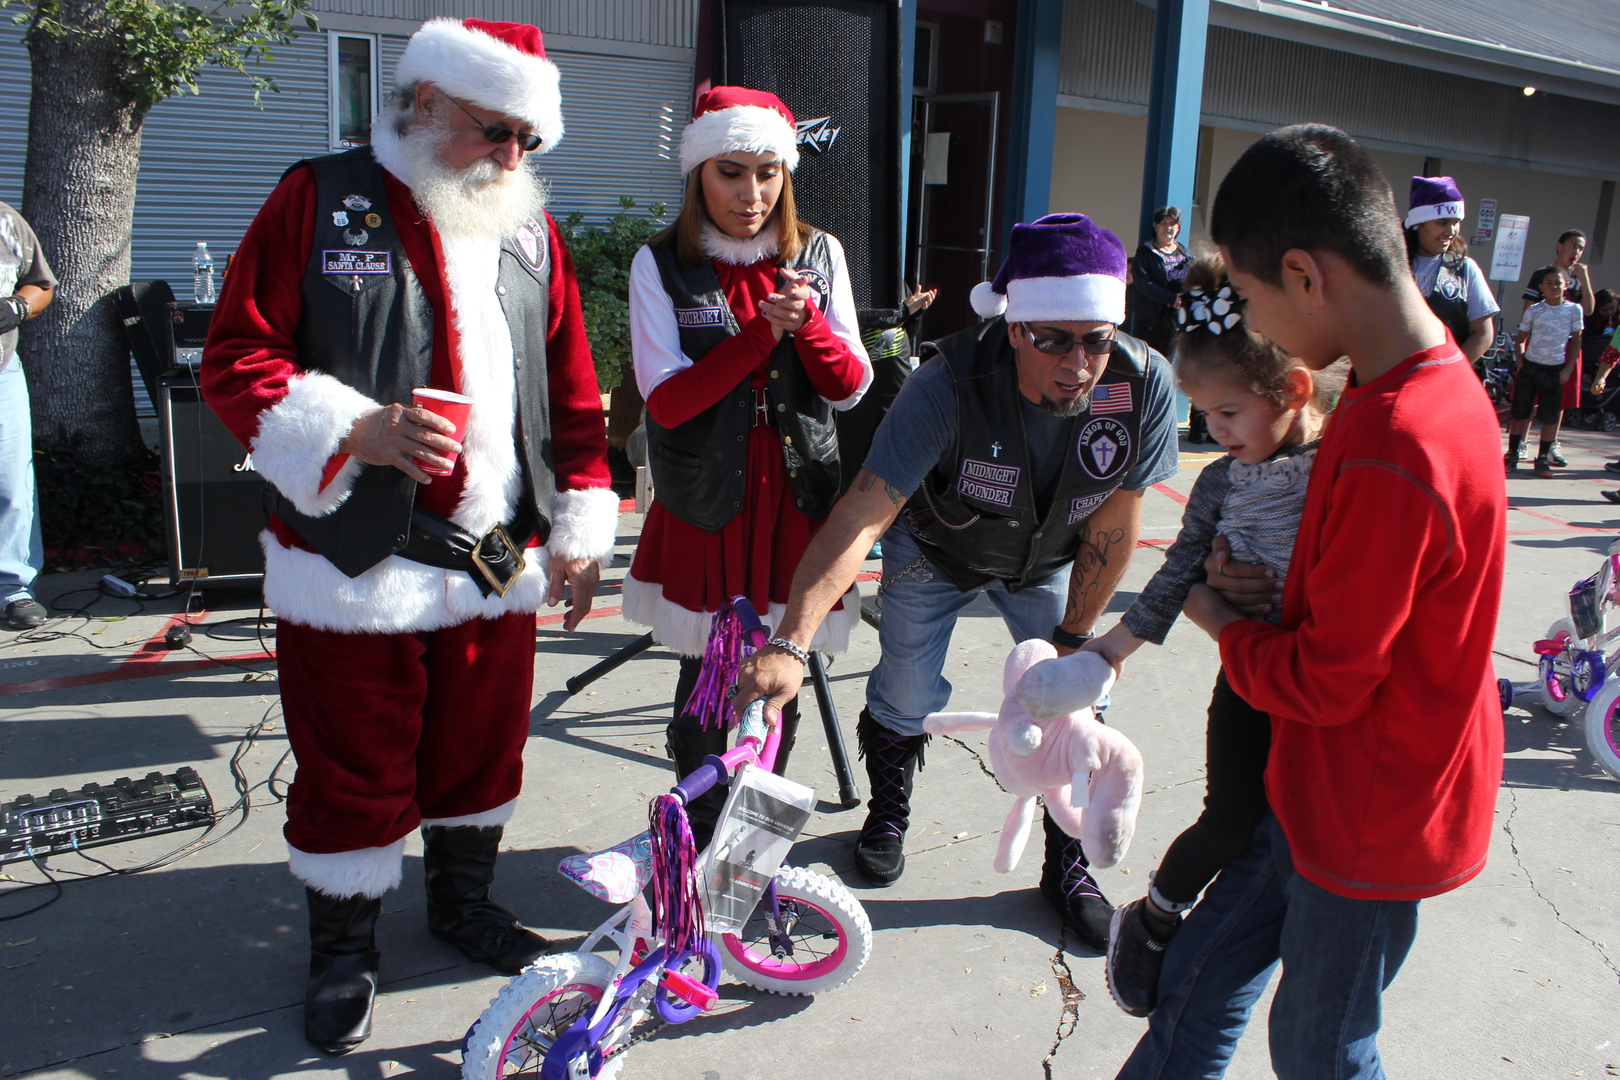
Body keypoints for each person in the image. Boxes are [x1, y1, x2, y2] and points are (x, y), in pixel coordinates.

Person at [201, 18, 618, 1055]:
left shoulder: (531, 232)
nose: (512, 158)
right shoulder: (318, 199)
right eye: (494, 130)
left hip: (492, 560)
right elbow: (237, 356)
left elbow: (572, 393)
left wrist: (581, 520)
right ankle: (344, 950)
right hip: (353, 564)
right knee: (352, 767)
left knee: (482, 751)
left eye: (528, 138)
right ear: (425, 102)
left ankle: (463, 906)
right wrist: (353, 428)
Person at [1114, 124, 1505, 1078]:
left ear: (1304, 275)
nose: (1251, 319)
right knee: (1199, 982)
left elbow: (1330, 681)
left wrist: (1219, 617)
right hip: (1316, 788)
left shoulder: (1399, 441)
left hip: (1366, 814)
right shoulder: (1394, 386)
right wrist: (1280, 592)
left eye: (1250, 298)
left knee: (1321, 1048)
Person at [734, 212, 1179, 952]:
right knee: (907, 694)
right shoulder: (948, 382)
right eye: (1054, 339)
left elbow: (1115, 523)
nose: (1079, 363)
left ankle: (1067, 865)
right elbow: (863, 515)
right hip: (936, 548)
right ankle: (887, 813)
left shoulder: (1142, 382)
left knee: (1081, 707)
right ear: (1015, 328)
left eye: (1097, 340)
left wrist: (1077, 641)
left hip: (1050, 559)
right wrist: (790, 642)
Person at [1077, 254, 1343, 1016]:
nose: (1214, 432)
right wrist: (1112, 648)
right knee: (1229, 822)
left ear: (1293, 391)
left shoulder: (1342, 465)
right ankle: (1156, 915)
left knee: (1286, 837)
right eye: (1204, 415)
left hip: (1320, 687)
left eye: (1227, 414)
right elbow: (1178, 572)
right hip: (1249, 683)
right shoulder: (1223, 480)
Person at [620, 86, 871, 849]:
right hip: (708, 496)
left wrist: (810, 326)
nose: (751, 193)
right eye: (730, 172)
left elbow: (850, 386)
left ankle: (753, 849)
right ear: (699, 172)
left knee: (778, 674)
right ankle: (696, 838)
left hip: (795, 494)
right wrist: (761, 338)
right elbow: (667, 402)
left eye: (767, 173)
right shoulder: (661, 263)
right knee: (707, 671)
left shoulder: (820, 253)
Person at [0, 203, 54, 630]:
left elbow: (41, 284)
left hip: (2, 371)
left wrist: (17, 307)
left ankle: (12, 587)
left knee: (11, 482)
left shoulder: (6, 222)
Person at [1403, 175, 1497, 363]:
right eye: (1442, 222)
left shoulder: (1465, 269)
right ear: (1418, 223)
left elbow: (1483, 334)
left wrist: (1448, 371)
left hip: (1444, 375)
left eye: (1455, 222)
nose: (1451, 231)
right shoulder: (1392, 265)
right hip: (1391, 375)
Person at [1520, 230, 1594, 464]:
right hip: (1540, 344)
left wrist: (1585, 279)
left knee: (1558, 398)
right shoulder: (1542, 274)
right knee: (1529, 397)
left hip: (1566, 346)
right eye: (1573, 245)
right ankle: (1520, 443)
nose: (1577, 251)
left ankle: (1550, 445)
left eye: (1581, 248)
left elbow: (1589, 310)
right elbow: (1527, 310)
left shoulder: (1578, 278)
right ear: (1559, 246)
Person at [1131, 208, 1203, 444]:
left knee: (1178, 371)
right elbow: (1144, 285)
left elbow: (1196, 281)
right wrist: (1171, 298)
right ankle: (1145, 424)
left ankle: (1182, 424)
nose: (1168, 228)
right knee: (1152, 371)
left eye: (1172, 223)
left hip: (1180, 321)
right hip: (1153, 321)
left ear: (1178, 227)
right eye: (1163, 223)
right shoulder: (1145, 252)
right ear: (1156, 226)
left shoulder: (1185, 254)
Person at [1508, 267, 1583, 478]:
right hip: (1531, 366)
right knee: (1521, 412)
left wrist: (1568, 369)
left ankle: (1542, 457)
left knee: (1550, 415)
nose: (1553, 287)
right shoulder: (1534, 310)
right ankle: (1512, 453)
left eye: (1558, 282)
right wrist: (1521, 364)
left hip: (1555, 369)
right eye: (1548, 283)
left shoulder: (1573, 310)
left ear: (1566, 285)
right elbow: (1520, 340)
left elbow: (1577, 340)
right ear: (1541, 287)